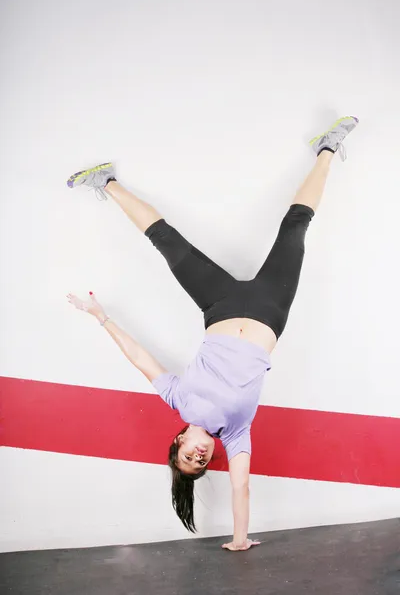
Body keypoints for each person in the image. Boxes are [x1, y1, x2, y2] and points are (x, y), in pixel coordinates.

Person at [67, 116, 359, 551]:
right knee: (296, 226)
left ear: (179, 440)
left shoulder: (178, 400)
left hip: (218, 305)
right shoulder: (236, 433)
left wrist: (101, 317)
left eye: (188, 457)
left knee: (167, 242)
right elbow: (241, 488)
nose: (199, 458)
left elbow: (141, 359)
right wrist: (240, 540)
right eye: (201, 465)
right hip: (269, 310)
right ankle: (328, 149)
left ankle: (106, 182)